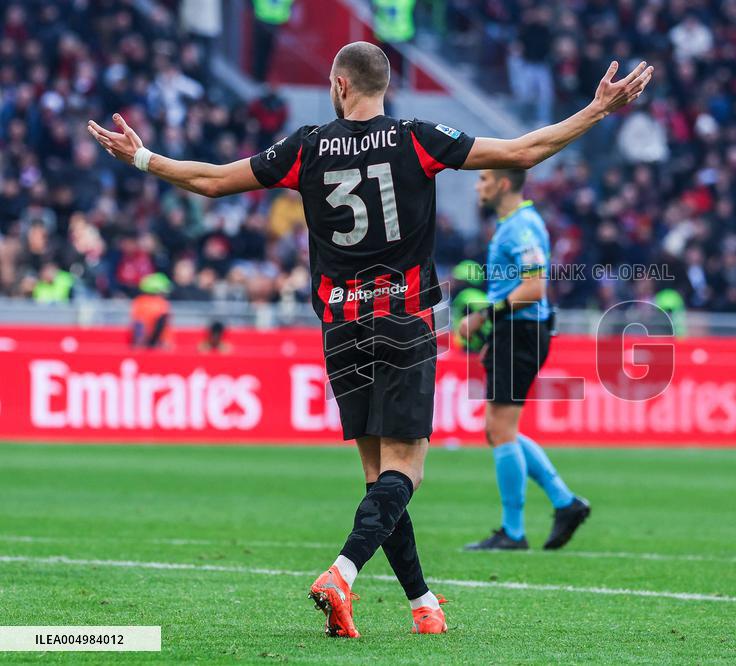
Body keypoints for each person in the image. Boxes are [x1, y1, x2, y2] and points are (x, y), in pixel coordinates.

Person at [87, 41, 652, 639]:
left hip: (340, 328)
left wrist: (144, 158)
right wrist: (596, 111)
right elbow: (522, 150)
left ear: (338, 86)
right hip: (404, 322)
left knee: (378, 477)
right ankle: (342, 572)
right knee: (405, 470)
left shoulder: (305, 146)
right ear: (384, 86)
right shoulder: (415, 137)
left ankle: (423, 603)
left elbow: (211, 181)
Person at [461, 169, 590, 551]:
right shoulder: (517, 224)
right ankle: (565, 503)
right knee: (501, 430)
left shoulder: (520, 227)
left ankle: (514, 532)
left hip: (520, 332)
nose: (477, 185)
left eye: (483, 178)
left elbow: (534, 287)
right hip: (515, 332)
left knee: (500, 430)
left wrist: (485, 316)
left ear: (502, 183)